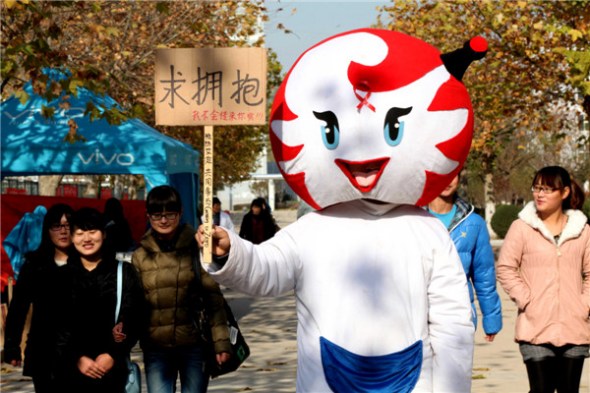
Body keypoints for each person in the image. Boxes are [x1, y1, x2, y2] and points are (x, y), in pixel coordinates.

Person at [497, 166, 590, 393]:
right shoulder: (522, 228)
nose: (540, 194)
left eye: (548, 189)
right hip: (535, 326)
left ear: (564, 193)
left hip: (573, 326)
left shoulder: (582, 230)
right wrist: (527, 300)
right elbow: (506, 268)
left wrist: (584, 304)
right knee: (541, 389)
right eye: (537, 188)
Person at [132, 185, 231, 393]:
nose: (164, 220)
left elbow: (213, 298)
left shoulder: (197, 248)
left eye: (170, 214)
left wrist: (221, 343)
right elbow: (133, 305)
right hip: (156, 349)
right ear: (148, 216)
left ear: (180, 213)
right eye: (157, 215)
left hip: (194, 346)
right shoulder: (140, 256)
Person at [56, 207, 146, 393]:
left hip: (113, 372)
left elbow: (133, 317)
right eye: (80, 233)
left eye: (92, 231)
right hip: (70, 373)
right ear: (72, 238)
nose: (87, 239)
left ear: (104, 234)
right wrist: (77, 358)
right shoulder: (61, 277)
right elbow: (54, 325)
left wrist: (113, 354)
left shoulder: (123, 272)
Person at [3, 203, 74, 393]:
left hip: (79, 353)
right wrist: (12, 346)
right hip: (44, 351)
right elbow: (19, 307)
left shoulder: (86, 263)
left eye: (68, 225)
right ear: (47, 230)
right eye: (57, 226)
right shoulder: (34, 265)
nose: (63, 231)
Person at [427, 174, 502, 342]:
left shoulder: (474, 223)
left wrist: (491, 318)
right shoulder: (414, 218)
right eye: (443, 174)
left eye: (453, 175)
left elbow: (484, 275)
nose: (447, 180)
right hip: (419, 317)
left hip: (458, 316)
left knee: (456, 369)